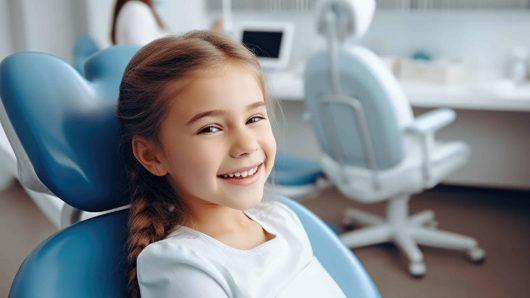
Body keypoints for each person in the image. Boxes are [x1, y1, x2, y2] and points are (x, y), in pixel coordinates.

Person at [117, 31, 345, 298]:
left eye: (254, 118)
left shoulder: (282, 220)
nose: (247, 145)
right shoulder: (182, 267)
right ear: (151, 156)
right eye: (210, 128)